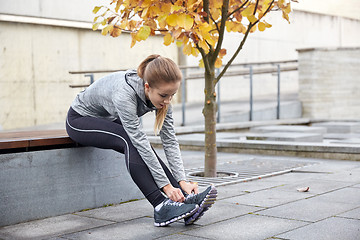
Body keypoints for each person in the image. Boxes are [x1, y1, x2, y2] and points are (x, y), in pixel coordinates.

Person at [66, 54, 217, 227]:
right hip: (79, 120)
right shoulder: (124, 93)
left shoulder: (163, 95)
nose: (167, 101)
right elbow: (138, 141)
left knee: (142, 144)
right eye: (163, 95)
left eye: (172, 95)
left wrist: (182, 181)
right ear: (147, 87)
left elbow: (169, 140)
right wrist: (166, 187)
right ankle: (160, 206)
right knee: (130, 140)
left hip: (106, 119)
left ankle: (184, 198)